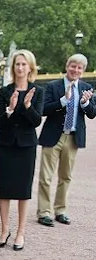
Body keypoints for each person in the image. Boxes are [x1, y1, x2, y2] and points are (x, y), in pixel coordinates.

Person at [37, 54, 96, 226]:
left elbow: (92, 113)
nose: (75, 70)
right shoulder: (52, 86)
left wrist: (85, 103)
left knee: (66, 176)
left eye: (79, 68)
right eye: (73, 66)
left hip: (73, 137)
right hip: (53, 135)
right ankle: (44, 212)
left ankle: (60, 210)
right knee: (46, 176)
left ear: (83, 71)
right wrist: (64, 100)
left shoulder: (86, 87)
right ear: (67, 66)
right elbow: (43, 110)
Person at [0, 50, 44, 251]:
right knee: (4, 189)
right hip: (5, 145)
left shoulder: (37, 91)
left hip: (26, 145)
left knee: (23, 191)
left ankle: (20, 232)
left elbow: (36, 120)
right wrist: (10, 110)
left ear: (30, 67)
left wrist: (27, 106)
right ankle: (4, 230)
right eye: (17, 64)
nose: (20, 68)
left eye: (24, 64)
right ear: (13, 67)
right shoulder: (4, 92)